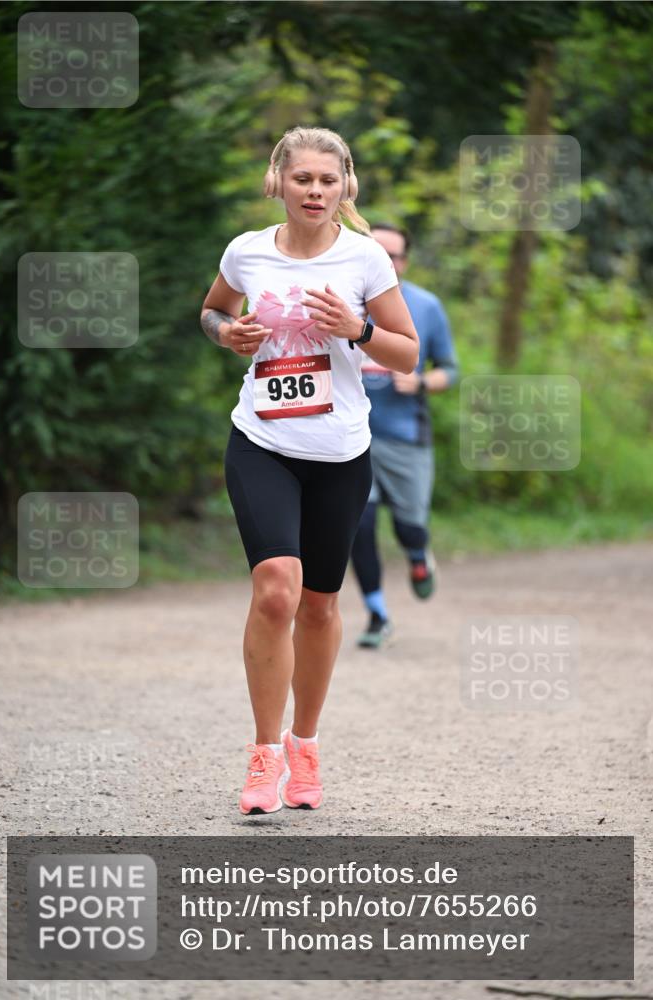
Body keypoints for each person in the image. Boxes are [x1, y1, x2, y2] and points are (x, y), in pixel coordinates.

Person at [200, 128, 418, 815]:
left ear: (344, 186)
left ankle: (305, 745)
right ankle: (264, 756)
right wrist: (224, 332)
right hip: (261, 440)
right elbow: (211, 312)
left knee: (320, 604)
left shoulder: (364, 261)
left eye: (328, 180)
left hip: (338, 451)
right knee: (275, 589)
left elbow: (406, 353)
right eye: (302, 179)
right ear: (278, 183)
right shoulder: (246, 251)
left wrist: (354, 330)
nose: (315, 191)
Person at [351, 223, 459, 649]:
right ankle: (377, 613)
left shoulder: (426, 306)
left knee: (409, 525)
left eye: (394, 256)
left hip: (406, 437)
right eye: (377, 251)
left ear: (405, 262)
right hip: (352, 439)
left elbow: (450, 369)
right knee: (359, 526)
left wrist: (421, 383)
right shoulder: (343, 299)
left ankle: (418, 554)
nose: (386, 261)